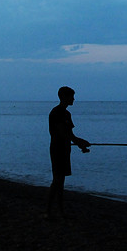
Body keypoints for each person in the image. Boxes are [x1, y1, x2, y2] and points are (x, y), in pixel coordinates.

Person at [46, 86, 90, 219]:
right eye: (71, 96)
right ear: (64, 97)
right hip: (57, 150)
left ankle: (60, 211)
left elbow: (70, 134)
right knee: (57, 180)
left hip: (66, 150)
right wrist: (79, 141)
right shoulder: (56, 112)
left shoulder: (67, 114)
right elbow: (63, 133)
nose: (74, 99)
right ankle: (48, 211)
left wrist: (81, 145)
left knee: (61, 181)